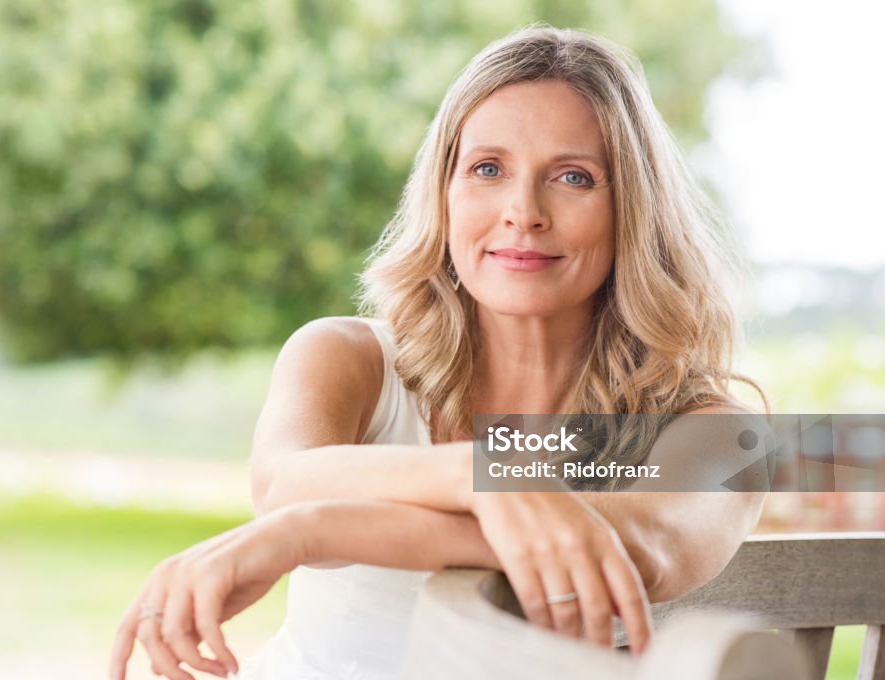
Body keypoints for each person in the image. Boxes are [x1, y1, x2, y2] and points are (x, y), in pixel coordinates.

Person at [110, 24, 768, 680]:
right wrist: (471, 475)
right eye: (488, 168)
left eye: (573, 176)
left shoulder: (720, 434)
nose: (523, 211)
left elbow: (644, 550)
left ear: (633, 208)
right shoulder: (346, 358)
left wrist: (308, 533)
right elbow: (284, 482)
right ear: (444, 194)